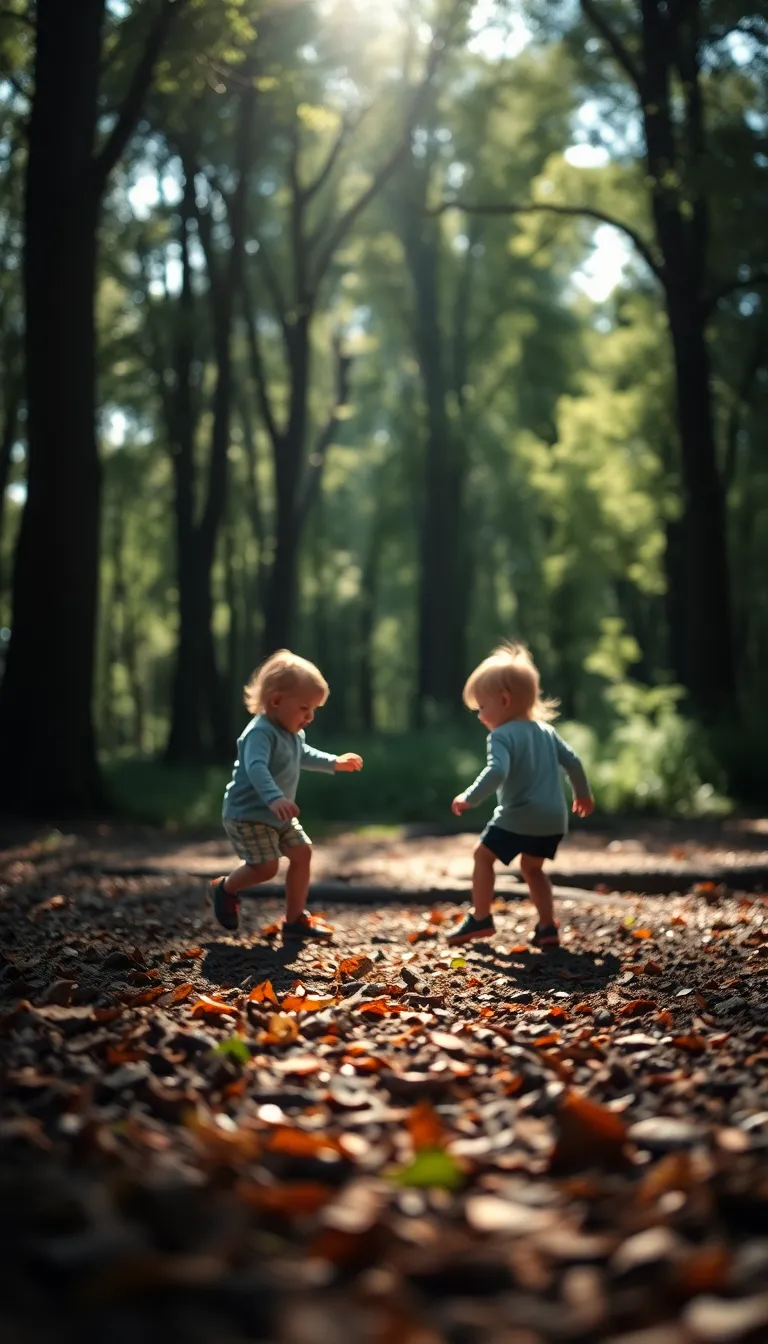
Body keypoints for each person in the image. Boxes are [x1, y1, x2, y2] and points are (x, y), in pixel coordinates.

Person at [448, 642, 593, 948]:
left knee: (482, 855)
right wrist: (582, 794)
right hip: (554, 819)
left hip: (519, 815)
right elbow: (574, 762)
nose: (479, 716)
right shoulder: (546, 731)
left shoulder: (500, 735)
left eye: (481, 707)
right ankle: (547, 927)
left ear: (503, 700)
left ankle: (481, 917)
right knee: (532, 867)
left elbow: (497, 771)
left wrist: (470, 797)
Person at [211, 650, 363, 940]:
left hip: (278, 814)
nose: (310, 716)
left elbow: (302, 754)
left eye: (314, 709)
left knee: (302, 853)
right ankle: (225, 888)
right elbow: (255, 767)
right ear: (276, 701)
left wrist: (333, 761)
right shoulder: (259, 733)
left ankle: (294, 920)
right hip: (249, 815)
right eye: (305, 707)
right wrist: (274, 798)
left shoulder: (292, 733)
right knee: (266, 868)